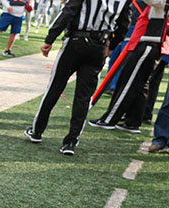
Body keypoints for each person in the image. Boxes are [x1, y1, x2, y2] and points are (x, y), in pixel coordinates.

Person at [25, 0, 131, 155]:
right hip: (99, 46)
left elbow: (68, 12)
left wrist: (50, 39)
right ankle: (70, 142)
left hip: (75, 42)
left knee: (55, 87)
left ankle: (37, 131)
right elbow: (124, 25)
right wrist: (111, 46)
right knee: (84, 96)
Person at [88, 0, 166, 132]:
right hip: (149, 42)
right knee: (140, 85)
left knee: (128, 82)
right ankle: (133, 121)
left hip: (149, 42)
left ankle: (109, 119)